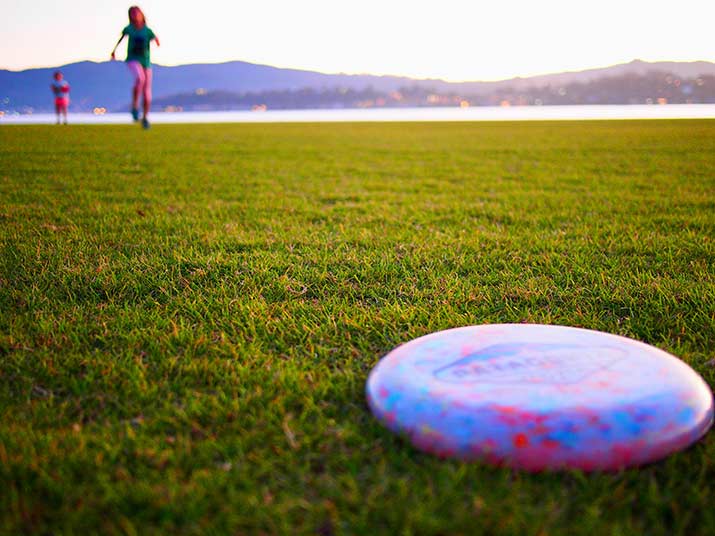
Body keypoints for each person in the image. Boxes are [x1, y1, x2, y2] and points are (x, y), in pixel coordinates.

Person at [110, 6, 160, 129]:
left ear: (141, 14)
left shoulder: (147, 31)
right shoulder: (129, 29)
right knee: (140, 78)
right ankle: (135, 107)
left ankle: (145, 118)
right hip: (132, 59)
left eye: (136, 13)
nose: (134, 15)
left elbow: (155, 39)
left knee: (147, 92)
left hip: (146, 62)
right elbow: (121, 39)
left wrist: (157, 41)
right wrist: (114, 51)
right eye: (131, 14)